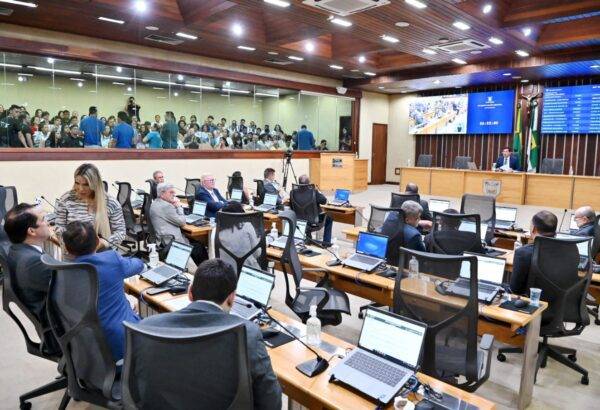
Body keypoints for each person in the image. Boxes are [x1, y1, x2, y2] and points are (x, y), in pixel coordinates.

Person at [136, 259, 281, 409]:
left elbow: (137, 389)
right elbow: (271, 402)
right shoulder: (248, 334)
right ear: (232, 298)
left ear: (190, 293)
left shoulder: (146, 327)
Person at [62, 221, 142, 362]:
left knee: (129, 302)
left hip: (84, 346)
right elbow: (137, 265)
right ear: (98, 241)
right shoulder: (111, 259)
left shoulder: (62, 272)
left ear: (67, 249)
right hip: (122, 343)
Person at [4, 203, 60, 354]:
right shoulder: (34, 263)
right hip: (60, 333)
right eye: (43, 219)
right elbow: (76, 290)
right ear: (31, 231)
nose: (48, 222)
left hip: (51, 322)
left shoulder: (16, 250)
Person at [56, 163, 126, 248]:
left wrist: (102, 243)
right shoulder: (66, 198)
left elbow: (120, 232)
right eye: (77, 183)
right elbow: (59, 227)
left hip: (100, 254)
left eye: (86, 185)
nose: (80, 189)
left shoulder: (111, 203)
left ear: (95, 184)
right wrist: (67, 243)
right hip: (72, 255)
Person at [149, 183, 207, 265]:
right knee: (199, 247)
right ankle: (205, 271)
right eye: (171, 192)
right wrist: (179, 206)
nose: (174, 194)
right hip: (171, 241)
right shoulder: (166, 206)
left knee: (195, 243)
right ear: (162, 193)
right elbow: (182, 222)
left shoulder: (155, 203)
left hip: (161, 239)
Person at [510, 211, 557, 295]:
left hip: (532, 302)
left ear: (534, 229)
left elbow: (515, 290)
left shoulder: (523, 253)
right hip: (560, 301)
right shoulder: (569, 248)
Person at [216, 202, 262, 269]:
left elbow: (215, 254)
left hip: (226, 273)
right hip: (247, 271)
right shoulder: (247, 226)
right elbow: (257, 253)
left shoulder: (216, 230)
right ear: (241, 214)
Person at [295, 175, 333, 246]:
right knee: (330, 217)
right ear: (309, 183)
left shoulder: (293, 192)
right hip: (314, 221)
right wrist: (319, 192)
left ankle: (308, 239)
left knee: (306, 215)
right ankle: (326, 243)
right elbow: (324, 201)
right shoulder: (313, 192)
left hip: (300, 221)